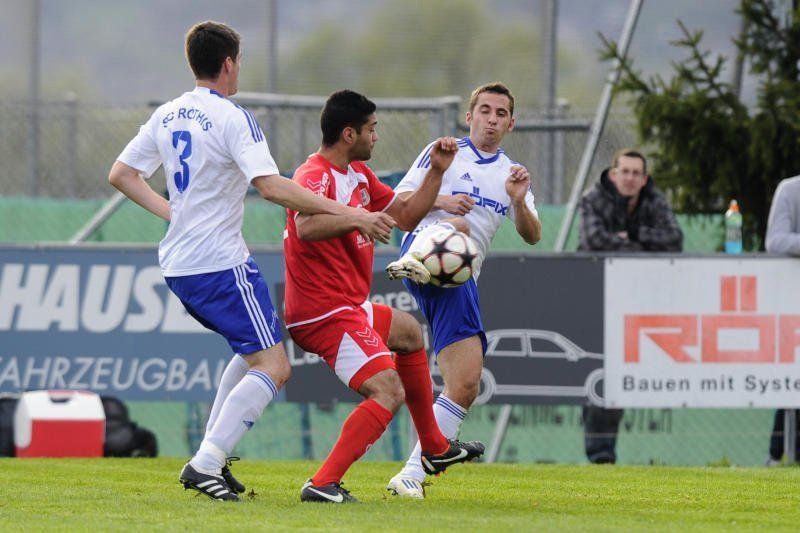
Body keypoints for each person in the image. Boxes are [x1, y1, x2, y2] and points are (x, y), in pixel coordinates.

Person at [108, 22, 387, 501]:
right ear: (228, 64)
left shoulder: (168, 113)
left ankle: (215, 457)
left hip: (180, 262)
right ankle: (206, 463)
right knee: (275, 366)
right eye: (239, 62)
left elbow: (121, 174)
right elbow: (271, 186)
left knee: (252, 349)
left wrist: (174, 214)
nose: (239, 70)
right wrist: (351, 213)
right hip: (219, 263)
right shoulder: (233, 117)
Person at [283, 89, 484, 503]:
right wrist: (359, 218)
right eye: (371, 129)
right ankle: (322, 483)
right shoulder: (315, 174)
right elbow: (305, 226)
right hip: (322, 312)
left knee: (408, 332)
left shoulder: (358, 175)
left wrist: (436, 173)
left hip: (347, 305)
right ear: (348, 133)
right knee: (388, 390)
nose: (376, 137)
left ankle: (434, 447)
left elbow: (406, 215)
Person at [385, 82, 541, 498]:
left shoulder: (513, 174)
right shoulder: (444, 152)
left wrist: (519, 202)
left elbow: (532, 235)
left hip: (460, 276)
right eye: (484, 110)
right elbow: (400, 203)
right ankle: (417, 260)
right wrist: (443, 199)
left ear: (511, 123)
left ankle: (413, 473)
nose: (492, 119)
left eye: (501, 113)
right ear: (469, 117)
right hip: (428, 251)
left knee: (466, 383)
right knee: (460, 226)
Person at [578, 148, 683, 464]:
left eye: (637, 173)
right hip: (595, 299)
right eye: (624, 171)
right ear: (613, 174)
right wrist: (643, 247)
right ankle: (600, 456)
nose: (630, 178)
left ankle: (607, 453)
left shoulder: (654, 201)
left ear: (645, 179)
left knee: (624, 376)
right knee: (601, 375)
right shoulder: (593, 199)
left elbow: (674, 240)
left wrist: (633, 233)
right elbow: (594, 241)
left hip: (640, 303)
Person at [764, 175, 800, 465]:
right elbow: (775, 241)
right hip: (793, 307)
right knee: (793, 385)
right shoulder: (790, 190)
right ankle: (778, 457)